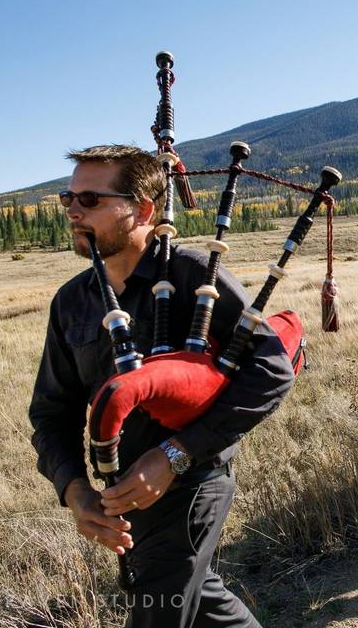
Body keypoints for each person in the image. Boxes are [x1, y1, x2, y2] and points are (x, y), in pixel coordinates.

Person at [28, 145, 294, 627]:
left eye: (90, 199)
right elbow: (52, 410)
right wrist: (73, 489)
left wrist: (174, 455)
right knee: (204, 605)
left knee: (157, 613)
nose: (72, 210)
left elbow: (271, 371)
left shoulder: (194, 275)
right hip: (120, 494)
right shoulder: (71, 301)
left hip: (193, 482)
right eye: (68, 197)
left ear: (144, 209)